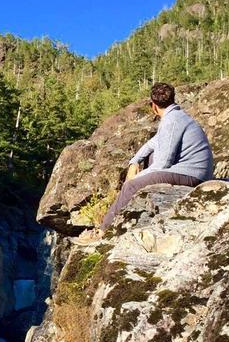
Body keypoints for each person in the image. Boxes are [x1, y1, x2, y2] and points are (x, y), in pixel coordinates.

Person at [73, 82, 213, 244]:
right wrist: (134, 162)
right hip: (193, 171)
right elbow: (152, 144)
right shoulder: (177, 117)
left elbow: (162, 164)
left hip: (192, 175)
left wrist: (133, 180)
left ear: (153, 106)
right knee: (149, 157)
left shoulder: (171, 121)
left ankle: (102, 231)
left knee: (130, 186)